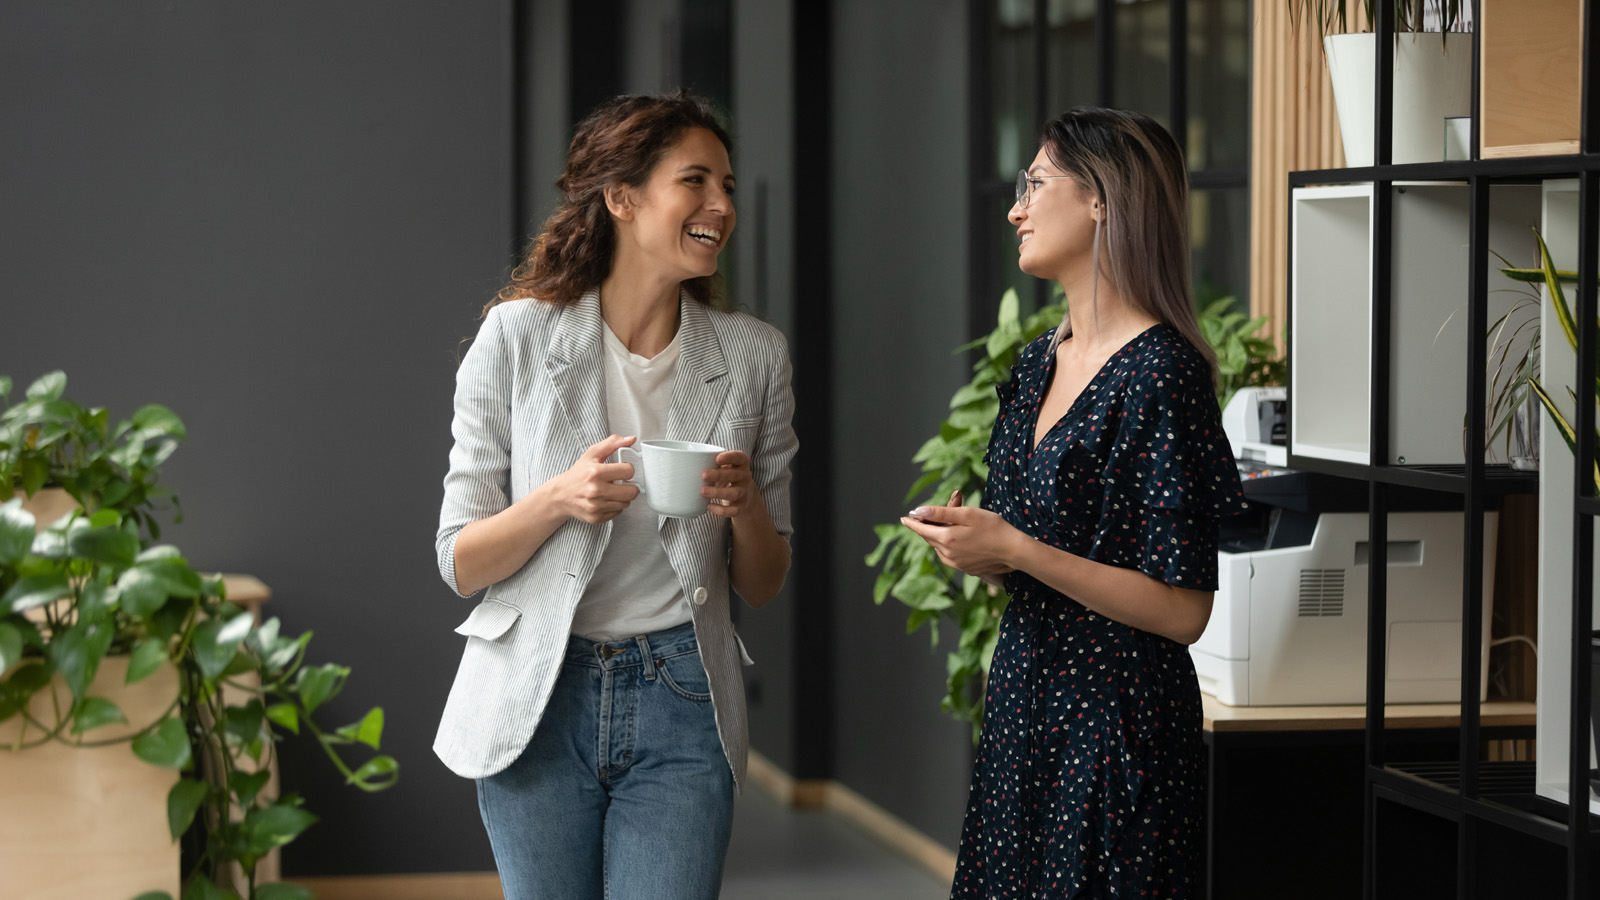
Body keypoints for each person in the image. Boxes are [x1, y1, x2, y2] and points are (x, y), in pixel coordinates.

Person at [431, 91, 797, 900]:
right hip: (539, 689)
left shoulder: (753, 357)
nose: (720, 206)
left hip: (682, 690)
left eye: (729, 187)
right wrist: (559, 499)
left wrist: (746, 507)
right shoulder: (517, 336)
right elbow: (458, 559)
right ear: (623, 198)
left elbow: (764, 583)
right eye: (695, 182)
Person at [902, 107, 1249, 898]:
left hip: (1120, 736)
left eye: (1036, 183)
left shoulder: (1163, 374)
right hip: (1024, 714)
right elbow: (1030, 569)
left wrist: (1018, 549)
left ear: (1102, 200)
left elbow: (1184, 610)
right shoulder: (1034, 365)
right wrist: (980, 550)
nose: (1017, 207)